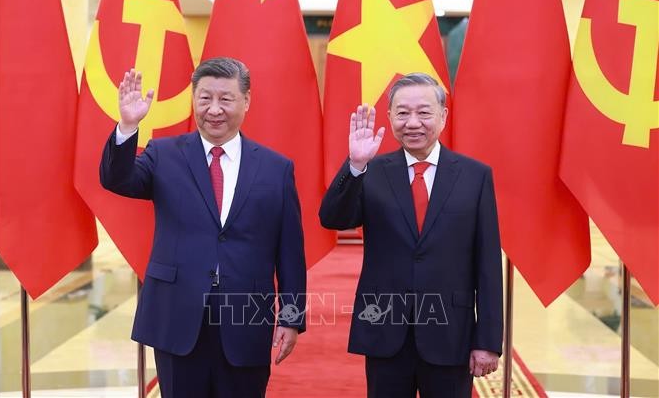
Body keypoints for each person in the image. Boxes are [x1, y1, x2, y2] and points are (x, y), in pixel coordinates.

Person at [100, 57, 306, 398]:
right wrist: (127, 126)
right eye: (205, 98)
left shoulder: (276, 168)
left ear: (246, 100)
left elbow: (290, 252)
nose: (214, 110)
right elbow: (116, 179)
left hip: (245, 320)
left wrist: (291, 316)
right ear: (193, 100)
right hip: (177, 317)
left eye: (225, 99)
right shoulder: (164, 154)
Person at [320, 73, 503, 398]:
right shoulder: (371, 171)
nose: (413, 122)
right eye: (403, 113)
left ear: (443, 116)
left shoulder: (475, 176)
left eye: (424, 112)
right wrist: (356, 165)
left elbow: (487, 263)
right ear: (390, 116)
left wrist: (487, 341)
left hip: (451, 333)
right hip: (385, 331)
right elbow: (333, 218)